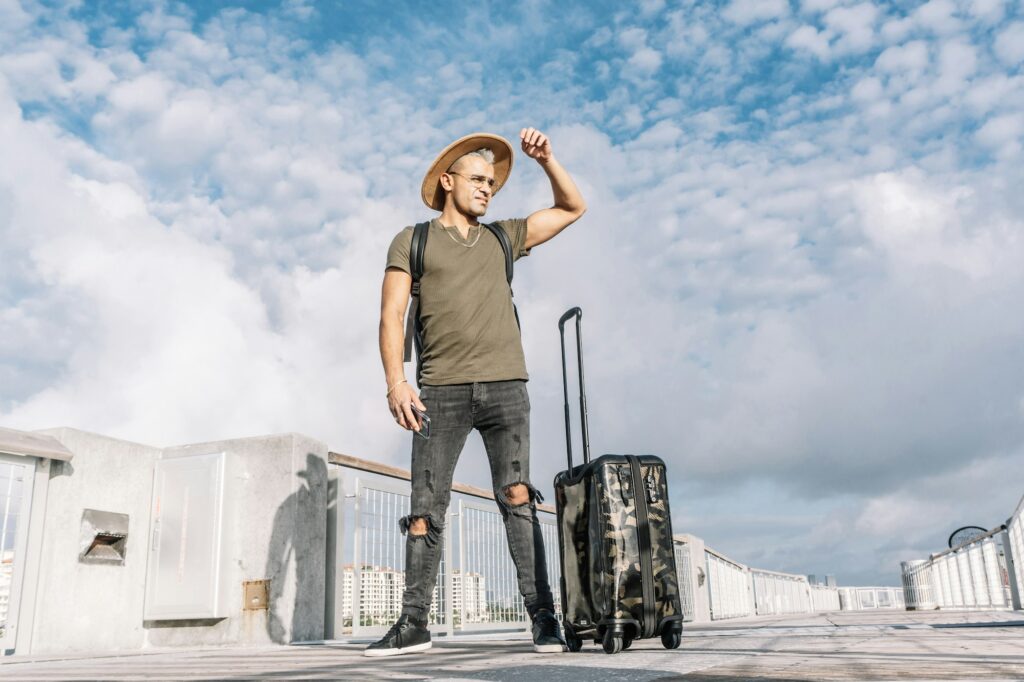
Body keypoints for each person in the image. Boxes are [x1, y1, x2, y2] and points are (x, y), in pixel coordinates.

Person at [366, 128, 586, 657]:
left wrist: (548, 159)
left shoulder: (504, 237)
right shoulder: (412, 240)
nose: (487, 188)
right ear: (448, 181)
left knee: (517, 498)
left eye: (493, 182)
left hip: (507, 385)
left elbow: (572, 207)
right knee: (425, 509)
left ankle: (544, 620)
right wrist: (396, 380)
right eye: (477, 179)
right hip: (438, 391)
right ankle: (414, 623)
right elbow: (391, 315)